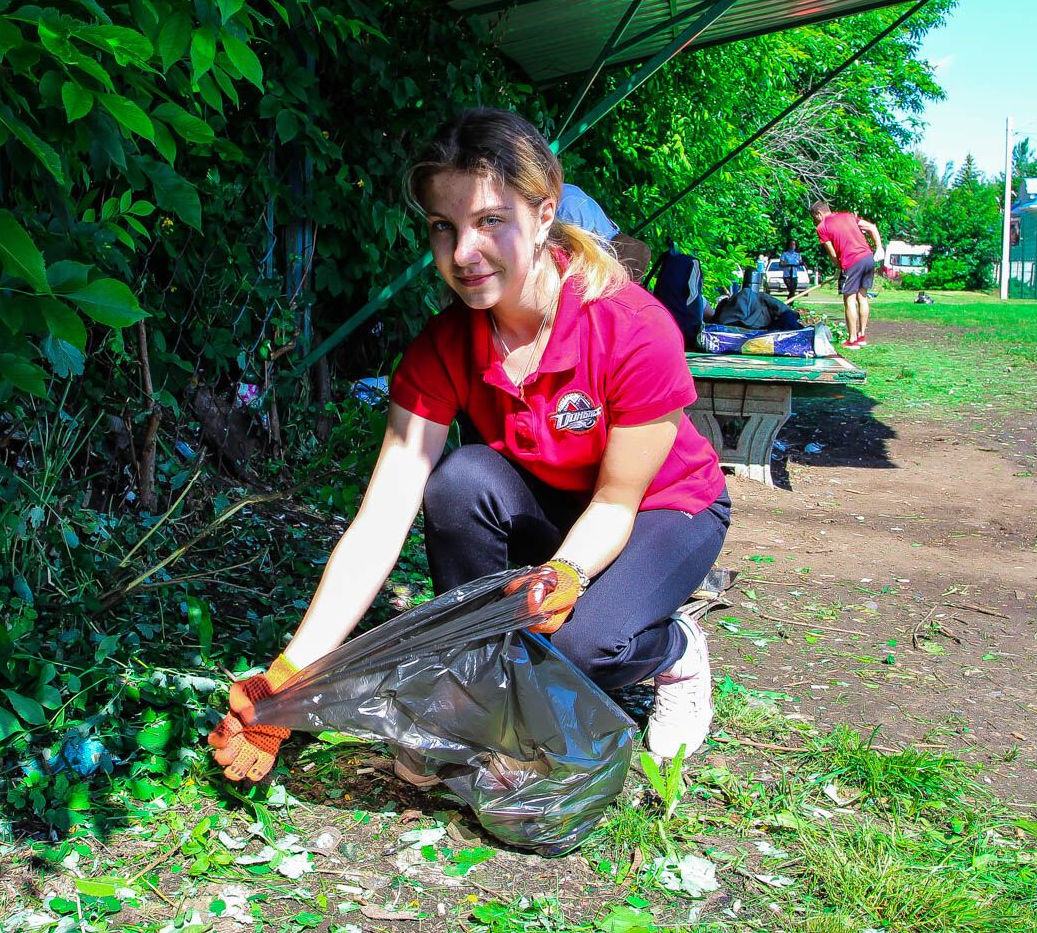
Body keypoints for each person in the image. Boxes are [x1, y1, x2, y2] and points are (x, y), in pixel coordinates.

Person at [209, 109, 731, 783]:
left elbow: (615, 502)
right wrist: (287, 676)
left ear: (545, 213)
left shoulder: (632, 326)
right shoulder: (442, 348)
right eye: (443, 228)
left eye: (489, 222)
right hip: (557, 505)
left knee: (580, 642)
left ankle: (672, 650)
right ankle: (479, 691)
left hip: (661, 509)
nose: (461, 254)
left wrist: (564, 573)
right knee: (460, 479)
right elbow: (378, 524)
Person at [810, 200, 884, 349]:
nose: (814, 221)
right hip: (868, 258)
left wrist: (839, 267)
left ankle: (852, 339)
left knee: (849, 299)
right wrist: (879, 248)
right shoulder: (848, 216)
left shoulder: (822, 227)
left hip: (851, 261)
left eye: (814, 217)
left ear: (819, 214)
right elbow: (871, 227)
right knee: (862, 296)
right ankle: (861, 336)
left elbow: (832, 254)